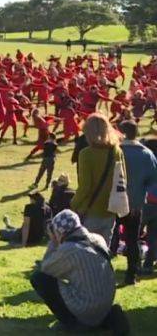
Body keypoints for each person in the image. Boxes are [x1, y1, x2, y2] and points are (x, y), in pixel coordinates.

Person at [30, 210, 129, 334]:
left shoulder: (69, 249)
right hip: (106, 302)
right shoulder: (98, 239)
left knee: (39, 279)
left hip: (85, 307)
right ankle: (109, 317)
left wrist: (53, 242)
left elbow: (45, 268)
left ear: (59, 232)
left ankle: (72, 322)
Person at [71, 113, 126, 244]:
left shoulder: (86, 154)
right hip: (110, 208)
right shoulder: (117, 151)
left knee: (85, 251)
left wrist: (73, 204)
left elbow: (85, 187)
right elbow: (122, 180)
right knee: (102, 251)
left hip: (90, 210)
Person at [113, 120, 157, 285]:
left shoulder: (115, 151)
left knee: (110, 237)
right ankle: (131, 275)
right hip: (136, 203)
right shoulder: (146, 154)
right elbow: (153, 179)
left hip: (113, 202)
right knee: (132, 240)